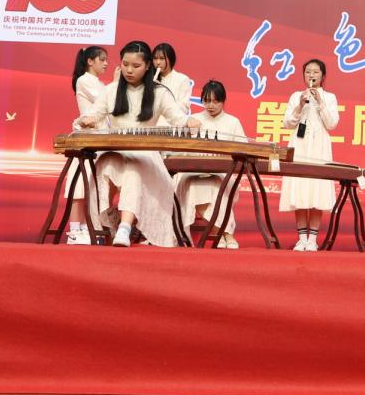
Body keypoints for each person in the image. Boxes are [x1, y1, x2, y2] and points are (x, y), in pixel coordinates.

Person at [75, 40, 187, 247]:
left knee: (134, 170)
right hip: (115, 152)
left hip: (145, 154)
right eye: (125, 64)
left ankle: (124, 228)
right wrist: (86, 120)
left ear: (147, 66)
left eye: (136, 66)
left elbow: (178, 118)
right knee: (104, 166)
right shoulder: (111, 90)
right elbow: (94, 113)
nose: (128, 70)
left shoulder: (160, 92)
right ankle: (112, 221)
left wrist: (189, 122)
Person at [176, 80, 245, 249]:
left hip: (222, 173)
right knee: (195, 185)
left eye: (216, 101)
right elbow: (180, 149)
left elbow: (243, 150)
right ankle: (226, 235)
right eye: (207, 101)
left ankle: (218, 233)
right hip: (194, 172)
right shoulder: (193, 120)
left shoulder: (233, 122)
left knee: (215, 185)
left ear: (223, 101)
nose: (211, 105)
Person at [281, 58, 339, 251]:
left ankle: (312, 239)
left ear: (323, 75)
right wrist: (299, 105)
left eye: (315, 72)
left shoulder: (329, 97)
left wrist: (320, 102)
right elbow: (287, 123)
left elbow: (332, 124)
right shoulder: (296, 96)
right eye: (307, 72)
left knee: (316, 190)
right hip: (299, 147)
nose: (311, 75)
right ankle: (301, 239)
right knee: (300, 189)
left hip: (319, 148)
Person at [64, 45, 107, 245]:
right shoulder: (84, 80)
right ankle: (74, 230)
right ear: (90, 61)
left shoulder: (99, 83)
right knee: (80, 183)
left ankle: (84, 227)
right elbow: (104, 103)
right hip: (87, 137)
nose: (106, 63)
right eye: (102, 59)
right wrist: (117, 84)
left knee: (90, 186)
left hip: (99, 138)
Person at [152, 43, 194, 120]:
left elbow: (184, 106)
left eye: (162, 58)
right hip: (151, 124)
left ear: (171, 59)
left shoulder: (182, 79)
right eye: (155, 58)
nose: (158, 62)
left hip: (172, 123)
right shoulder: (150, 79)